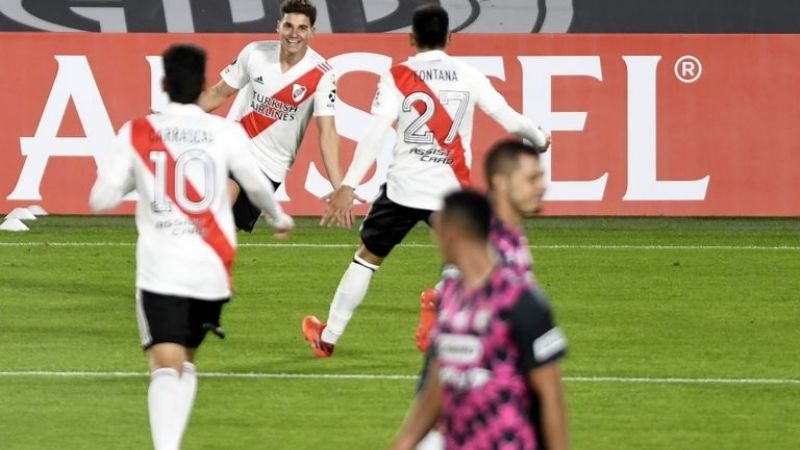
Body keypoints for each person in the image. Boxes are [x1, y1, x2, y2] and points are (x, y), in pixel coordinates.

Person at [301, 3, 550, 358]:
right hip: (450, 194)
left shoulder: (396, 76)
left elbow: (375, 133)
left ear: (411, 38)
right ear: (450, 38)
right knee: (467, 260)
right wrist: (539, 138)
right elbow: (509, 119)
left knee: (367, 258)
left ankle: (328, 337)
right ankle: (437, 301)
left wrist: (348, 185)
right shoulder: (469, 75)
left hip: (402, 190)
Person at [89, 44, 294, 450]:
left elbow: (100, 198)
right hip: (211, 271)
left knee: (164, 365)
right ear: (203, 84)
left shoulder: (138, 132)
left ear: (164, 84)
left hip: (161, 270)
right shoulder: (226, 132)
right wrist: (278, 216)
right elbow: (255, 185)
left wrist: (133, 178)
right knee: (186, 360)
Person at [389, 190, 569, 450]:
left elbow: (551, 398)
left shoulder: (519, 301)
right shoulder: (449, 298)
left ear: (450, 234)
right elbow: (439, 385)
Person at [415, 139, 552, 450]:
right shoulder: (484, 240)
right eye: (532, 178)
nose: (542, 187)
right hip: (464, 407)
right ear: (502, 184)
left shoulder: (509, 238)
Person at [198, 0, 345, 232]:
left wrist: (340, 187)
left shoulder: (322, 74)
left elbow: (327, 132)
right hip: (237, 145)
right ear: (278, 27)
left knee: (222, 234)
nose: (294, 34)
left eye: (302, 28)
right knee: (216, 210)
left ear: (312, 32)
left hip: (271, 168)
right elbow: (217, 93)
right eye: (288, 26)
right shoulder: (255, 53)